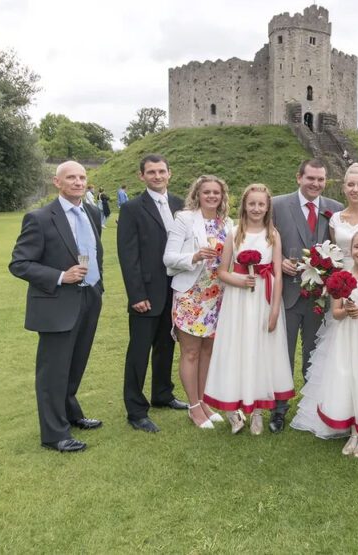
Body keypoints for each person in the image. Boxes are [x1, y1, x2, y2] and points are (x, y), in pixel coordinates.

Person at [291, 164, 358, 444]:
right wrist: (335, 282)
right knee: (339, 358)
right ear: (344, 185)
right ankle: (341, 412)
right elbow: (334, 255)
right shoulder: (335, 218)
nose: (355, 189)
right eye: (351, 184)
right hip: (341, 290)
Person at [8, 161, 104, 453]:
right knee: (53, 371)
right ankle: (54, 434)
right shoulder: (39, 218)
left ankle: (71, 414)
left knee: (76, 363)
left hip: (89, 297)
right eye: (71, 177)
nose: (78, 182)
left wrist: (97, 286)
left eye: (82, 177)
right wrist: (61, 276)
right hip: (57, 303)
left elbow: (94, 252)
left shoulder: (92, 212)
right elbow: (19, 263)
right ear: (57, 182)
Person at [203, 184, 293, 434]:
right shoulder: (234, 233)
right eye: (251, 203)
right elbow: (222, 271)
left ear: (267, 207)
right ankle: (233, 410)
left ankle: (258, 411)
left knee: (262, 350)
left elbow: (278, 273)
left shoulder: (272, 235)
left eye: (261, 204)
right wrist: (239, 280)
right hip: (239, 301)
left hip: (264, 300)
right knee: (238, 349)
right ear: (244, 205)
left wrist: (274, 310)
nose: (256, 208)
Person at [269, 158, 342, 433]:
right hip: (286, 293)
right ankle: (279, 409)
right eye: (311, 178)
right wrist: (278, 263)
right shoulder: (277, 205)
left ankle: (311, 410)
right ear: (299, 177)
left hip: (319, 297)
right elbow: (264, 242)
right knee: (282, 353)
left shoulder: (335, 209)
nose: (316, 184)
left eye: (321, 179)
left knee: (314, 352)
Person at [117, 154, 188, 433]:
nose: (157, 176)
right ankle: (136, 410)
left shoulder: (180, 205)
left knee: (166, 345)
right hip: (146, 293)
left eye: (161, 171)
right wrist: (136, 295)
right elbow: (128, 255)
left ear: (170, 173)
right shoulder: (132, 209)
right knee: (139, 350)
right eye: (151, 172)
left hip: (176, 289)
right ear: (141, 176)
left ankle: (162, 394)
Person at [163, 175, 234, 429]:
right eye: (207, 192)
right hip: (191, 296)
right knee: (191, 352)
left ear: (222, 196)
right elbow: (168, 257)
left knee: (207, 352)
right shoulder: (184, 219)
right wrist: (194, 256)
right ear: (198, 195)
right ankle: (193, 407)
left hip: (217, 296)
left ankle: (204, 402)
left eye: (216, 192)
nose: (212, 196)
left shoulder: (227, 223)